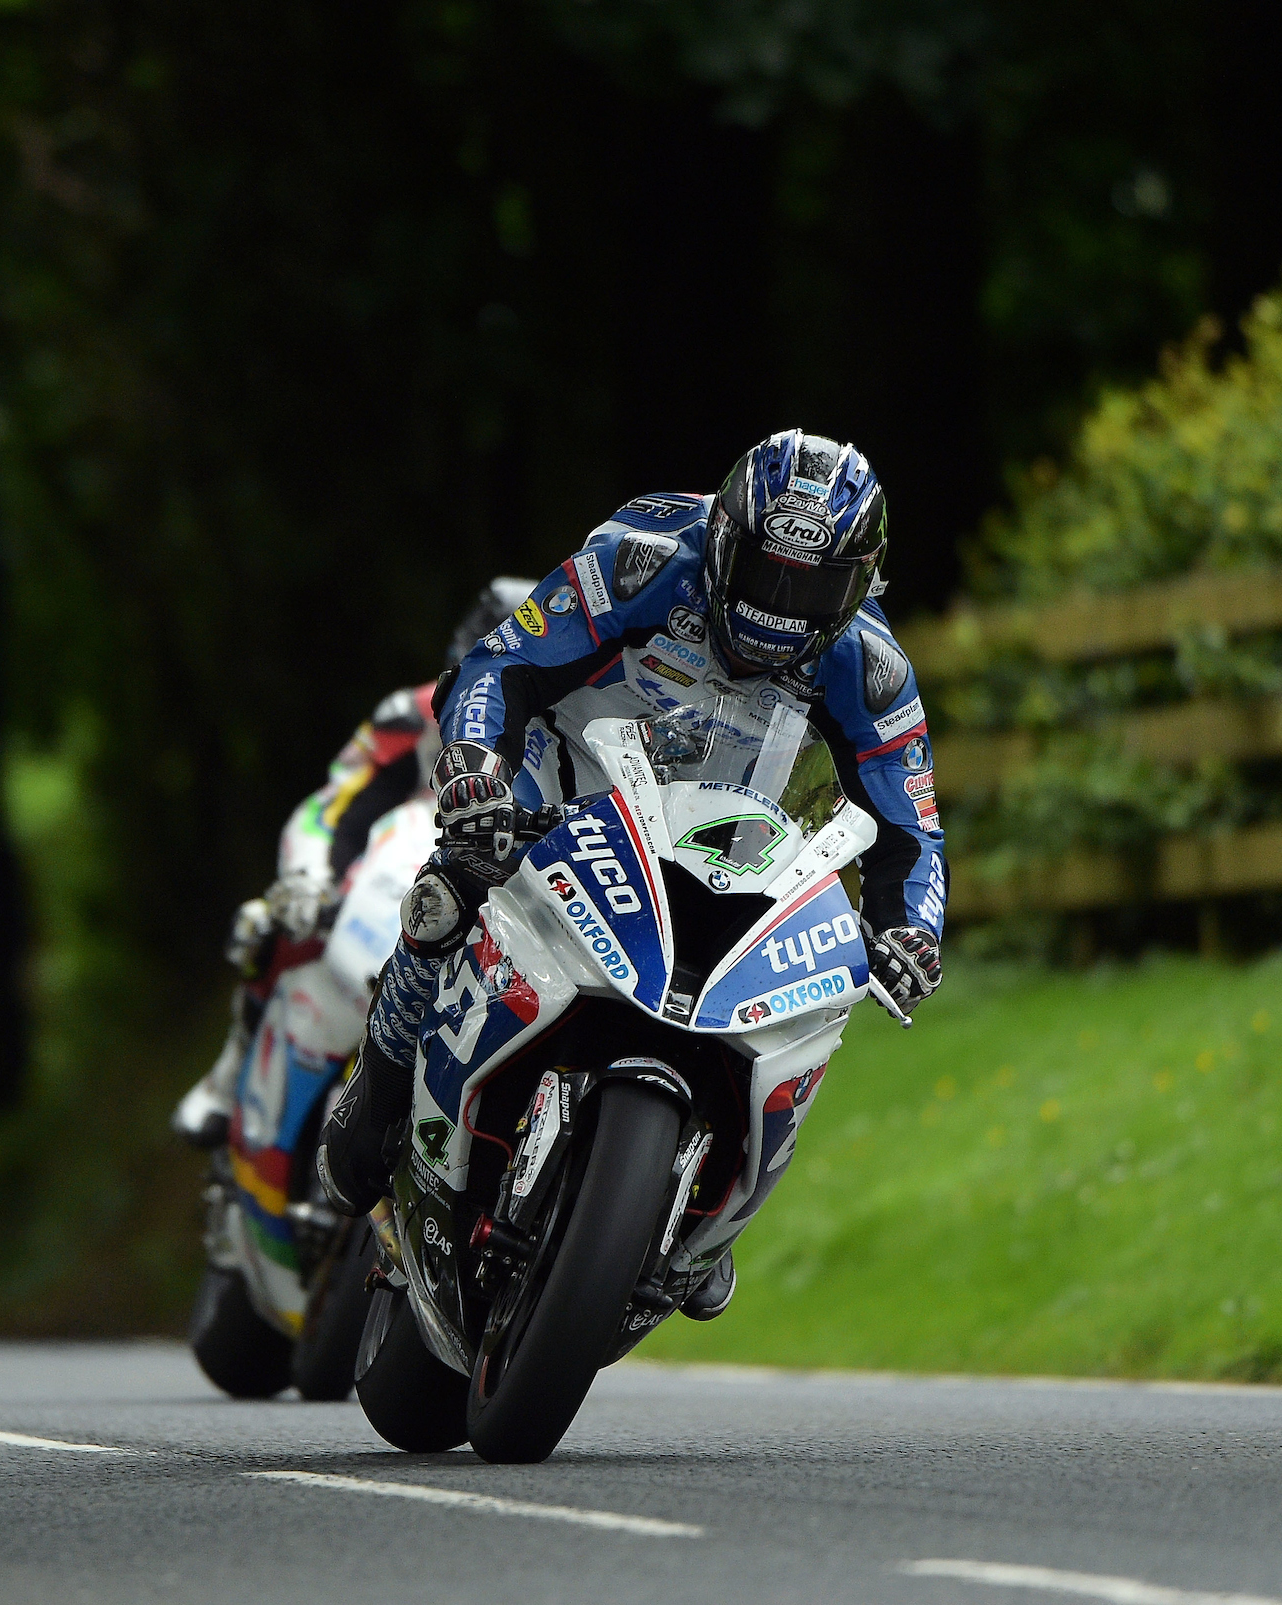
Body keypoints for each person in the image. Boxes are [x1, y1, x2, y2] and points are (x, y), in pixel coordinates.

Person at [313, 430, 949, 1324]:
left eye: (815, 588)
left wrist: (911, 926)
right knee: (456, 876)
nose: (784, 608)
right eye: (769, 575)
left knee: (823, 993)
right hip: (565, 780)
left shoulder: (871, 667)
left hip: (725, 839)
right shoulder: (643, 559)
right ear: (726, 539)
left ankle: (712, 1220)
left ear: (862, 582)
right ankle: (380, 1081)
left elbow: (911, 822)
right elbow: (503, 663)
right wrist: (472, 768)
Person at [171, 578, 535, 1150]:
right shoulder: (411, 716)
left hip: (483, 929)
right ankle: (227, 1076)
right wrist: (310, 878)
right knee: (265, 924)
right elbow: (335, 804)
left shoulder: (570, 744)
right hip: (376, 894)